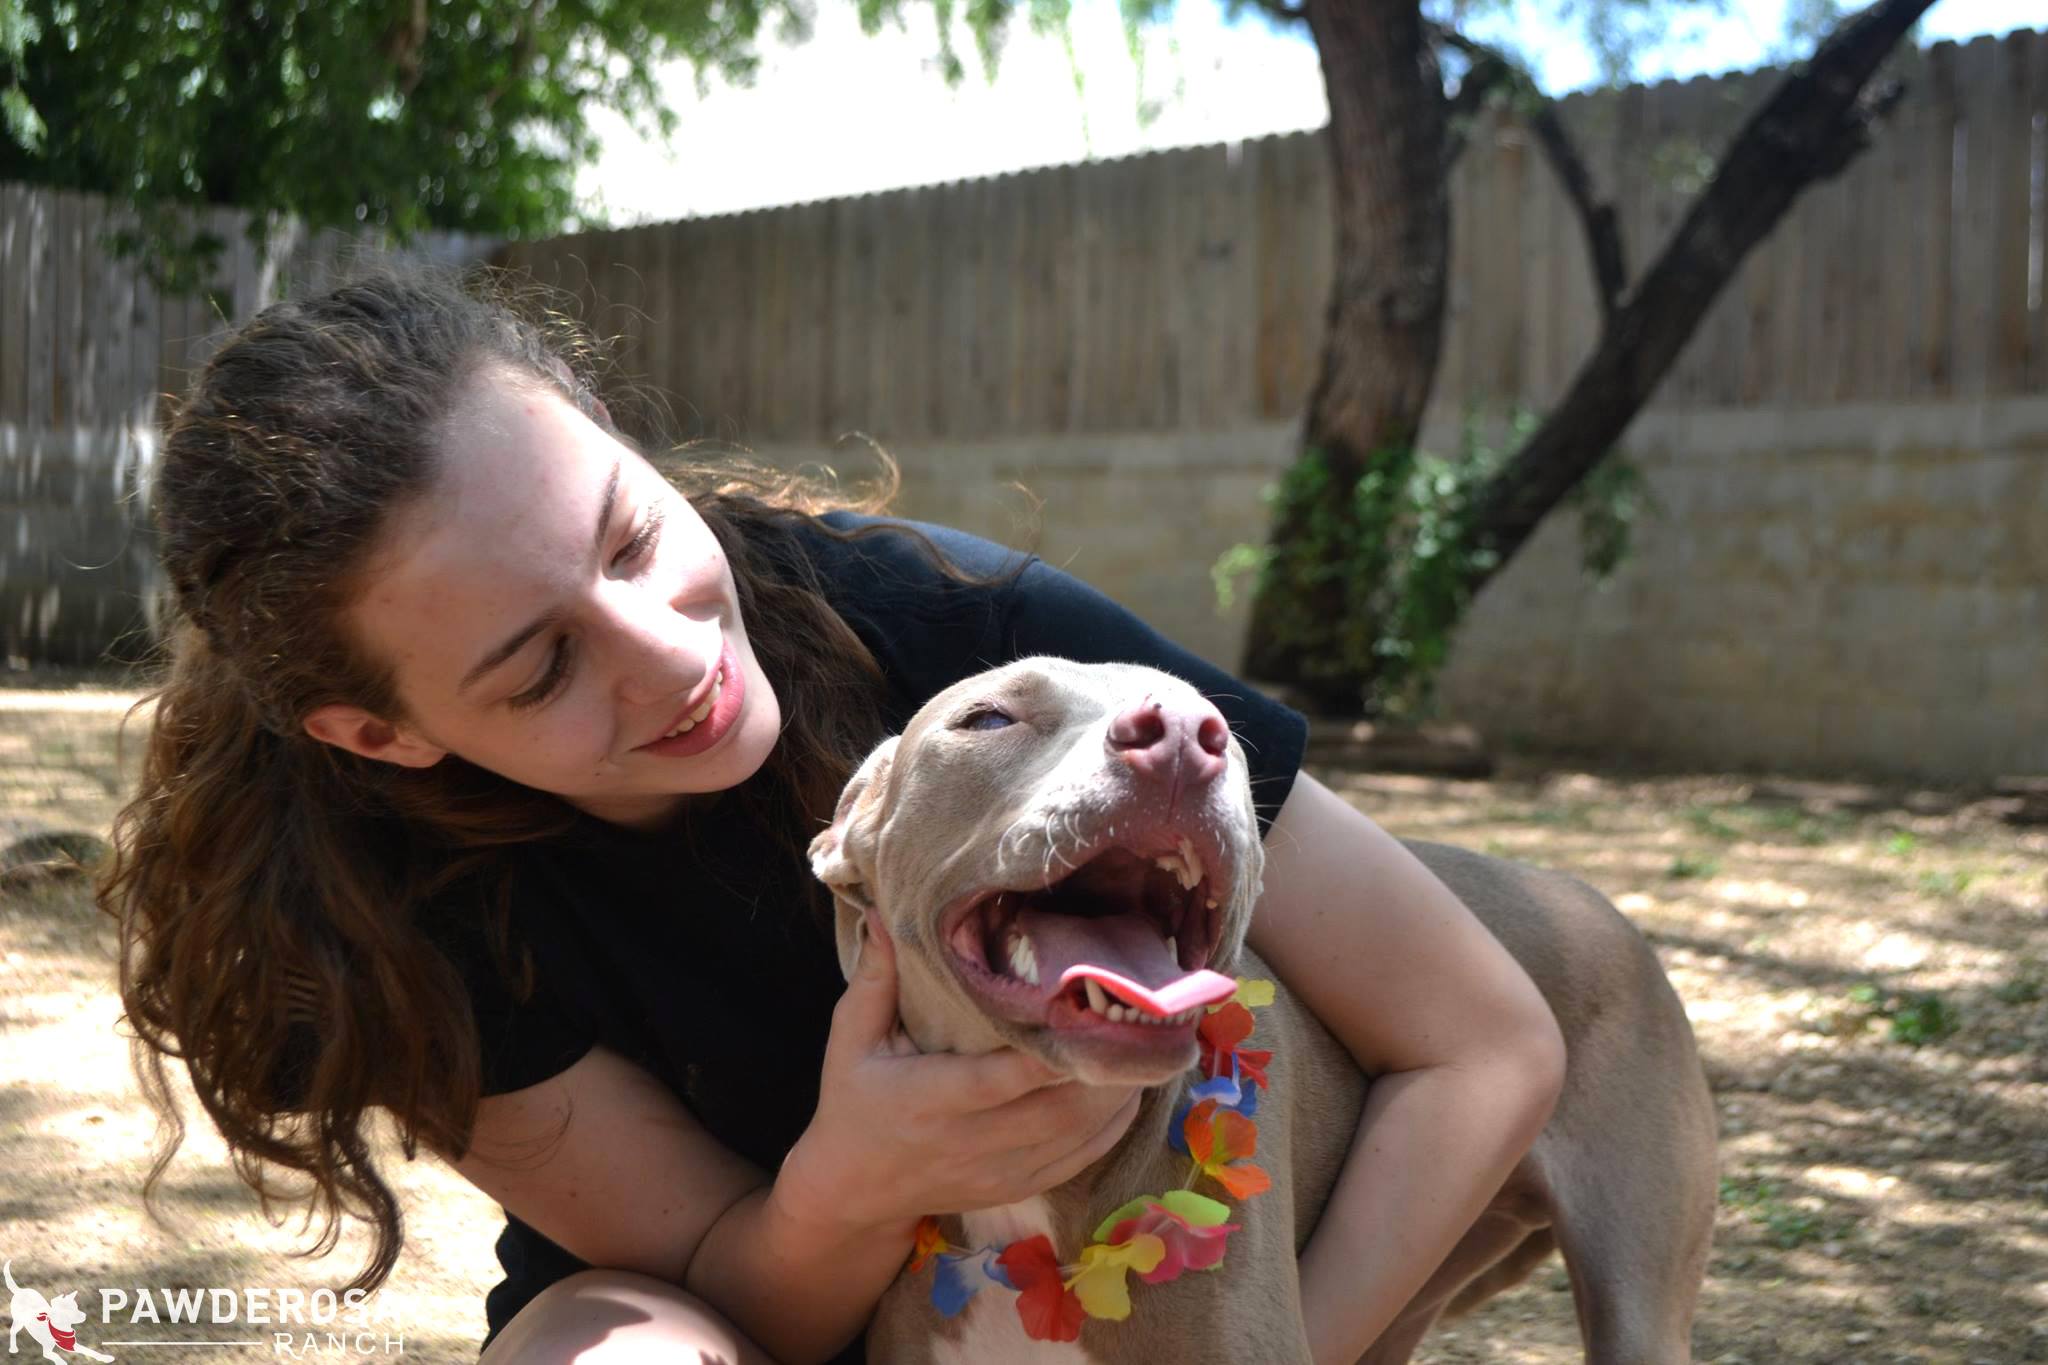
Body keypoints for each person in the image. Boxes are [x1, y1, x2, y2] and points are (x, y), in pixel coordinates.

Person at [98, 266, 1566, 1365]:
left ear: (611, 429)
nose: (673, 654)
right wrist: (853, 1180)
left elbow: (1485, 1039)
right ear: (380, 731)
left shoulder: (969, 641)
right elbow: (731, 1286)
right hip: (743, 1302)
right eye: (543, 664)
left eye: (630, 533)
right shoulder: (373, 903)